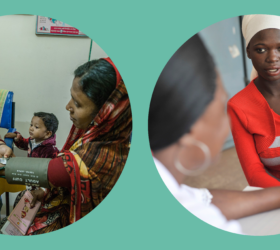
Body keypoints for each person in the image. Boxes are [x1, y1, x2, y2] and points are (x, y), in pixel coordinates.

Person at [149, 34, 280, 234]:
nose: (272, 58)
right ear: (191, 125)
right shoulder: (242, 106)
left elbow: (201, 199)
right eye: (222, 104)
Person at [0, 57, 132, 235]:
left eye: (77, 104)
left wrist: (5, 159)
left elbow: (46, 171)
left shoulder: (95, 158)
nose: (67, 106)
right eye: (71, 97)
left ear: (107, 111)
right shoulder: (104, 135)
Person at [228, 14, 280, 188]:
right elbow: (254, 173)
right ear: (248, 51)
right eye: (261, 49)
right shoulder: (239, 107)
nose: (273, 58)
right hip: (274, 195)